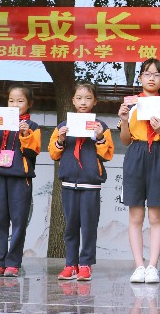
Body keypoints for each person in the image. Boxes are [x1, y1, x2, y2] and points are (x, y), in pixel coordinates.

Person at [118, 58, 160, 284]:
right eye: (147, 74)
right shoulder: (131, 105)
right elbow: (125, 140)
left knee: (156, 215)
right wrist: (124, 121)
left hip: (158, 154)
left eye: (156, 74)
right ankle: (139, 266)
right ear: (140, 78)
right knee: (135, 215)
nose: (151, 78)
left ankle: (153, 266)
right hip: (135, 154)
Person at [49, 82, 114, 282]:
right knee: (70, 226)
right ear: (73, 101)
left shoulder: (101, 126)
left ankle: (85, 264)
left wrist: (100, 137)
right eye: (79, 98)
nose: (83, 102)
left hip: (90, 184)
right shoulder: (62, 126)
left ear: (94, 101)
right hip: (69, 183)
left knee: (88, 226)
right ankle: (70, 264)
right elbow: (54, 153)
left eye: (87, 98)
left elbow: (107, 154)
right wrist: (60, 139)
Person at [0, 84, 42, 277]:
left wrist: (25, 134)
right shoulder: (0, 123)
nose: (15, 104)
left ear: (29, 104)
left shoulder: (33, 127)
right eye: (11, 100)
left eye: (20, 101)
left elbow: (33, 152)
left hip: (20, 179)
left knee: (18, 222)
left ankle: (13, 263)